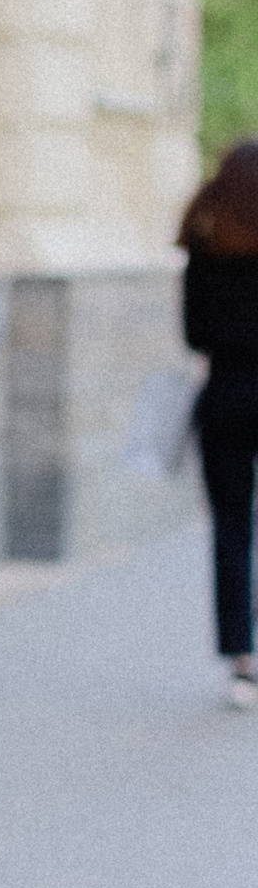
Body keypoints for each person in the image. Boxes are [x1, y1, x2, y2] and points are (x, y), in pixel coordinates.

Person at [181, 140, 258, 708]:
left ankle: (242, 663)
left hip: (227, 396)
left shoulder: (206, 241)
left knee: (231, 528)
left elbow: (193, 335)